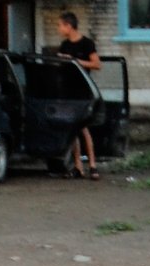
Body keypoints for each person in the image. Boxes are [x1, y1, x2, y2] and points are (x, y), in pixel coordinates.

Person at [57, 11, 101, 180]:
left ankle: (92, 165)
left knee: (83, 127)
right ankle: (78, 166)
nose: (59, 29)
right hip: (69, 91)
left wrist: (74, 61)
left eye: (60, 25)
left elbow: (97, 64)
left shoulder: (87, 44)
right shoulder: (64, 45)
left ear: (69, 26)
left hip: (83, 92)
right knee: (73, 128)